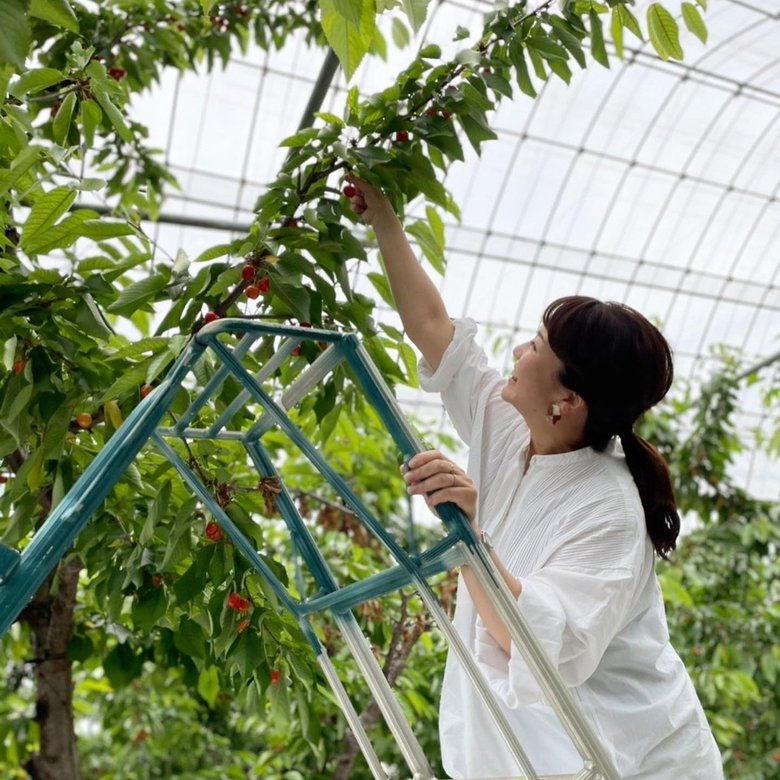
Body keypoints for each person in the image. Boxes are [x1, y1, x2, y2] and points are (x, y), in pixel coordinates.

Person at [346, 175, 723, 779]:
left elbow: (533, 643)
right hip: (533, 757)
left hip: (626, 762)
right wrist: (384, 219)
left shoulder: (609, 509)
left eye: (537, 348)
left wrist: (469, 536)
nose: (519, 349)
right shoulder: (508, 423)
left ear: (566, 402)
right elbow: (435, 328)